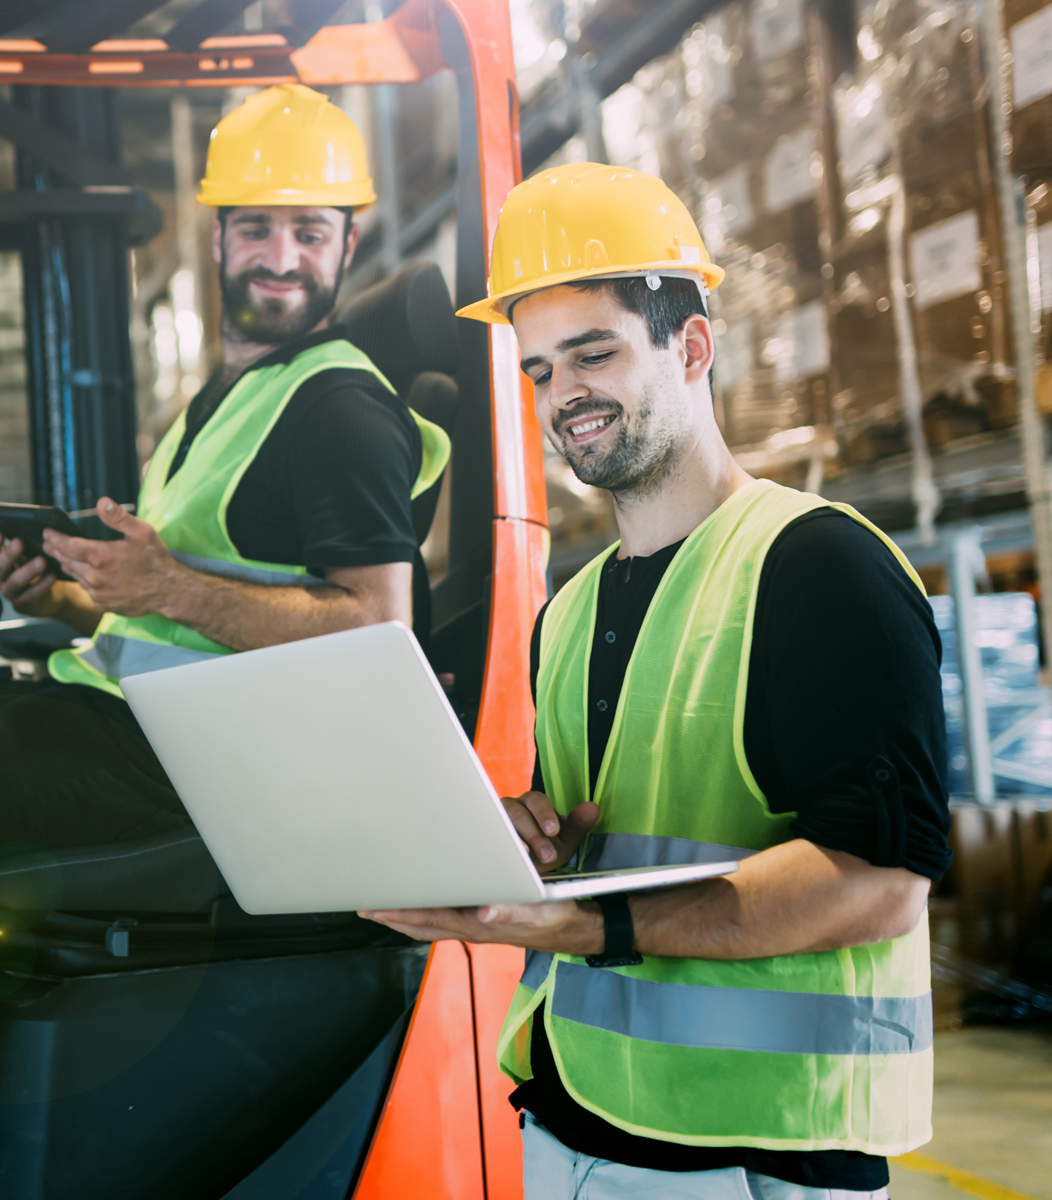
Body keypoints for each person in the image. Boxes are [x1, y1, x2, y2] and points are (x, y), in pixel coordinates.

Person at [0, 84, 450, 1197]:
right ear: (217, 236)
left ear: (347, 243)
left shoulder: (338, 409)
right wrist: (65, 598)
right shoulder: (229, 396)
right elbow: (168, 615)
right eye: (256, 227)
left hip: (194, 763)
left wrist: (163, 578)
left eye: (308, 232)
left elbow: (375, 628)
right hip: (136, 719)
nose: (279, 256)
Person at [364, 163, 951, 1200]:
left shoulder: (819, 568)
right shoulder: (570, 612)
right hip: (574, 1121)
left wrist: (578, 923)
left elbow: (880, 883)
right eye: (540, 370)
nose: (565, 396)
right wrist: (528, 842)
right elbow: (621, 834)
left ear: (690, 346)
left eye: (594, 354)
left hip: (755, 1155)